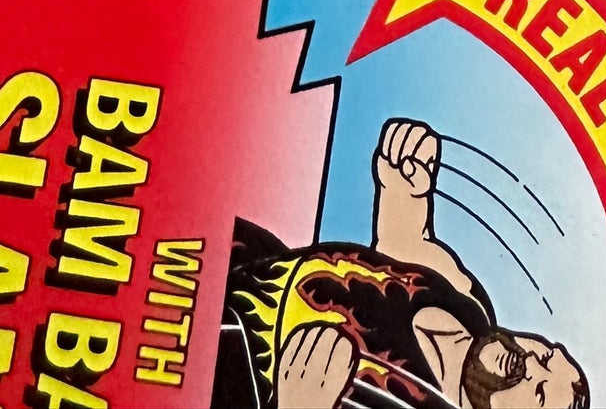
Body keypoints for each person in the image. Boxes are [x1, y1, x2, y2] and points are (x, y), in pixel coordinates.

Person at [222, 115, 587, 409]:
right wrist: (404, 180)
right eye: (546, 355)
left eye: (538, 392)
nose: (529, 363)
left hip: (218, 369)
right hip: (238, 259)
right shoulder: (469, 304)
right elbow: (403, 242)